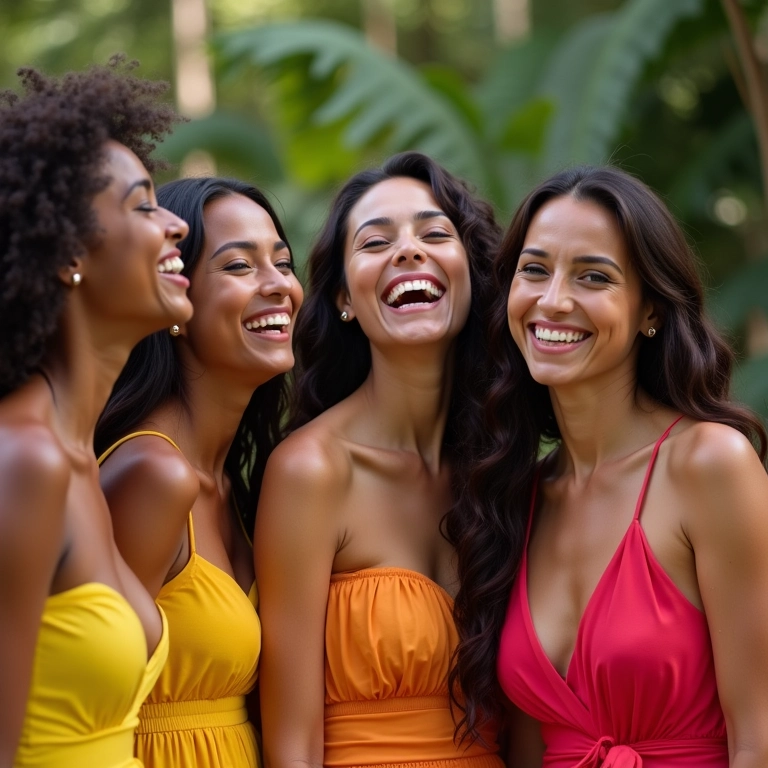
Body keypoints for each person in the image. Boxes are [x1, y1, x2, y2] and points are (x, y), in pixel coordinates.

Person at [448, 165, 768, 767]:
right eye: (535, 270)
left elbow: (760, 735)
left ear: (650, 309)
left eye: (593, 276)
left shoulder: (710, 465)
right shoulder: (521, 496)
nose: (553, 300)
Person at [255, 151, 505, 768]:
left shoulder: (505, 470)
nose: (408, 250)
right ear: (343, 297)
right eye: (375, 241)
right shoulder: (312, 471)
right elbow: (290, 743)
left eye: (434, 233)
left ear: (470, 274)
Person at [0, 58, 193, 767]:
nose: (175, 225)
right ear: (65, 251)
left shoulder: (78, 455)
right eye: (143, 205)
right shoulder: (23, 461)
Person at [95, 176, 303, 768]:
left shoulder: (236, 483)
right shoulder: (149, 474)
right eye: (239, 266)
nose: (278, 286)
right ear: (176, 300)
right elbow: (76, 701)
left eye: (283, 263)